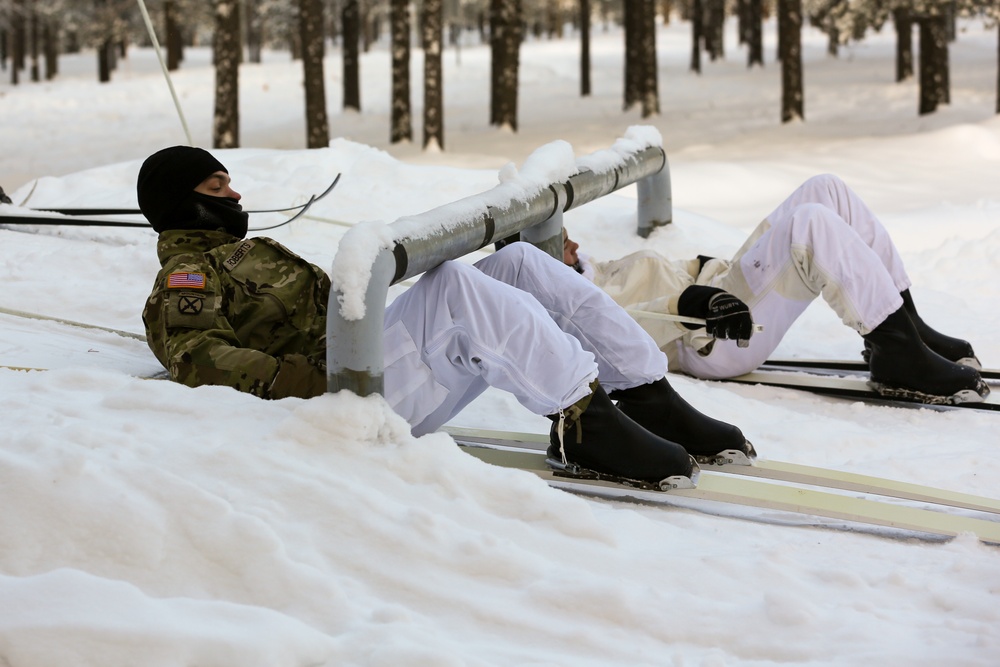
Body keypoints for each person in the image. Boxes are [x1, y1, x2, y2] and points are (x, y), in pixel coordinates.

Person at [137, 146, 755, 491]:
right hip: (335, 400)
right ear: (184, 200)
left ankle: (643, 391)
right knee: (456, 286)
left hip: (359, 372)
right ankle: (580, 425)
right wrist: (293, 381)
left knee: (516, 261)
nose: (236, 196)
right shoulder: (187, 277)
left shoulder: (243, 253)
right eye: (219, 187)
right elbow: (195, 356)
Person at [557, 174, 987, 404]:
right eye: (560, 244)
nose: (574, 244)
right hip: (709, 335)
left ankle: (906, 324)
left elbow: (665, 270)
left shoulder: (596, 268)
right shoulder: (566, 304)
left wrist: (706, 270)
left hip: (720, 290)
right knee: (810, 225)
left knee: (825, 189)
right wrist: (684, 301)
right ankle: (897, 352)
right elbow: (615, 338)